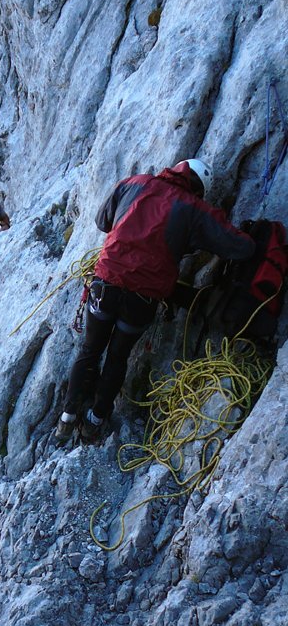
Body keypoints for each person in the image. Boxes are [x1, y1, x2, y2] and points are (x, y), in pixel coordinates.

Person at [55, 158, 256, 444]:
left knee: (89, 349)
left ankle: (67, 418)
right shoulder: (195, 209)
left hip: (106, 283)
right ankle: (94, 421)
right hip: (141, 298)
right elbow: (240, 247)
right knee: (117, 356)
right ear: (198, 188)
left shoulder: (135, 183)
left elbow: (102, 221)